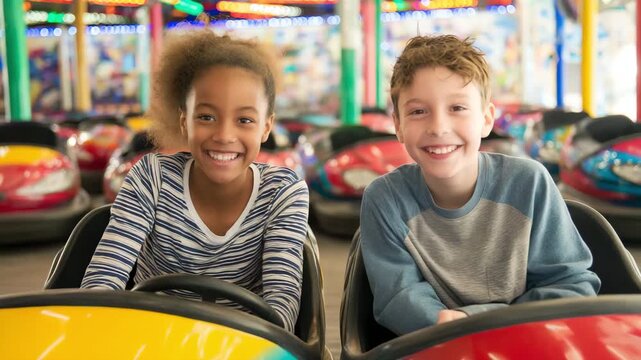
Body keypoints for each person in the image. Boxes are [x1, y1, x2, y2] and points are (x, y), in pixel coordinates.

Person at [360, 35, 600, 336]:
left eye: (457, 108)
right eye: (418, 111)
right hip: (436, 345)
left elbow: (570, 285)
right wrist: (446, 326)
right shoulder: (386, 199)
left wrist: (475, 319)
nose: (438, 127)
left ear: (486, 119)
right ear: (398, 126)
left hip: (531, 342)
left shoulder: (529, 183)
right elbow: (397, 297)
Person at [81, 30, 309, 333]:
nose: (224, 136)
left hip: (244, 345)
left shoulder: (283, 192)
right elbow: (104, 278)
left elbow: (282, 302)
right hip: (152, 339)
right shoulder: (152, 178)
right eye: (206, 117)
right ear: (184, 120)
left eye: (244, 120)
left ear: (266, 127)